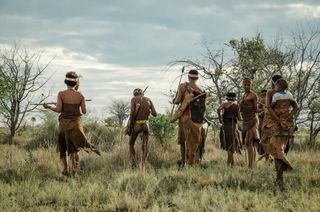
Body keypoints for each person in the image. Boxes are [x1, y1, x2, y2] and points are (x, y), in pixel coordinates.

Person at [43, 71, 100, 176]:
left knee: (63, 147)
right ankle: (74, 171)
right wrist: (80, 102)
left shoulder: (61, 94)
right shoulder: (80, 95)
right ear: (76, 83)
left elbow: (59, 110)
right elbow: (84, 111)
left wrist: (49, 107)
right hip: (76, 125)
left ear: (66, 82)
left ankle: (64, 170)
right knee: (74, 149)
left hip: (64, 125)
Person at [264, 78, 298, 186]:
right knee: (277, 148)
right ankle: (280, 178)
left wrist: (282, 119)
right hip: (281, 124)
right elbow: (295, 107)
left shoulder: (277, 95)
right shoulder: (287, 94)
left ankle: (283, 173)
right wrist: (286, 118)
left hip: (282, 125)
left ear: (279, 86)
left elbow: (270, 108)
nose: (275, 87)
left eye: (276, 85)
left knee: (279, 148)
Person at [172, 69, 206, 166]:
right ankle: (191, 163)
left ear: (188, 77)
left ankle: (184, 163)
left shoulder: (183, 86)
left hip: (185, 118)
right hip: (196, 121)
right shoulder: (201, 91)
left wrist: (174, 100)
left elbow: (178, 100)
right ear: (197, 78)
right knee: (192, 143)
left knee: (183, 142)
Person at [126, 88, 157, 169]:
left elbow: (132, 113)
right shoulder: (148, 100)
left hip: (137, 125)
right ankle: (143, 164)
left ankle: (133, 163)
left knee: (131, 143)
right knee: (145, 146)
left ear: (134, 94)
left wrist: (131, 125)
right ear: (142, 94)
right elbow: (155, 114)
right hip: (146, 125)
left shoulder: (133, 99)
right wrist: (149, 109)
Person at [260, 75, 283, 159]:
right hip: (284, 120)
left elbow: (268, 107)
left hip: (272, 121)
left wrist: (266, 109)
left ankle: (275, 160)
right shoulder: (287, 93)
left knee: (266, 141)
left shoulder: (270, 93)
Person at [217, 92, 242, 166]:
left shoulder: (224, 104)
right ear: (234, 98)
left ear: (227, 98)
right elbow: (240, 119)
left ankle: (232, 164)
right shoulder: (236, 105)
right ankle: (229, 164)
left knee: (228, 145)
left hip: (225, 127)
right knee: (231, 146)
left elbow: (218, 109)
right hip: (232, 127)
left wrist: (220, 119)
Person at [239, 78, 259, 168]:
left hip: (252, 121)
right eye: (245, 84)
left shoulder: (253, 95)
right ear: (243, 85)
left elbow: (256, 109)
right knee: (249, 143)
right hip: (245, 121)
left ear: (251, 85)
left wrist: (265, 109)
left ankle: (251, 165)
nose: (247, 86)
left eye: (248, 84)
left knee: (249, 142)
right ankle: (252, 164)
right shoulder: (244, 95)